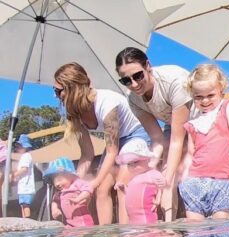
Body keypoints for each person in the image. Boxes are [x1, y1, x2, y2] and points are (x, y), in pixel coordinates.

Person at [53, 62, 164, 225]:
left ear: (72, 88)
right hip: (117, 141)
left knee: (122, 184)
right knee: (102, 187)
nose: (56, 96)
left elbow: (112, 152)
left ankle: (128, 235)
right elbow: (87, 155)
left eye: (57, 91)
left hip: (136, 134)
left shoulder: (106, 102)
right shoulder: (75, 113)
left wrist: (91, 185)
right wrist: (75, 183)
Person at [115, 47, 192, 219]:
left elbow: (177, 140)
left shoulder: (174, 81)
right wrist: (148, 167)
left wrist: (166, 180)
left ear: (148, 66)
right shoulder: (133, 98)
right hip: (173, 127)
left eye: (138, 76)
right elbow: (157, 139)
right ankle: (170, 227)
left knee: (173, 176)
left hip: (201, 121)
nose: (134, 84)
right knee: (164, 171)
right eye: (126, 80)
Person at [177, 64, 229, 220]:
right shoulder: (193, 123)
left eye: (210, 95)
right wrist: (183, 176)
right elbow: (191, 153)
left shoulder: (227, 107)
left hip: (222, 179)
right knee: (195, 227)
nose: (205, 100)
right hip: (194, 181)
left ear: (221, 90)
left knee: (222, 224)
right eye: (198, 97)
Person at [116, 139, 167, 224]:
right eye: (129, 164)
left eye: (135, 162)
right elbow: (135, 195)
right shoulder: (133, 178)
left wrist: (161, 189)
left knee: (147, 231)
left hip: (146, 220)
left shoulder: (152, 174)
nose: (132, 166)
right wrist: (124, 189)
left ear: (147, 159)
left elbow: (163, 184)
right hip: (133, 222)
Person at [44, 157, 94, 227]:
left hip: (83, 221)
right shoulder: (60, 192)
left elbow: (88, 189)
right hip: (70, 223)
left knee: (83, 232)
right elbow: (55, 200)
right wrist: (54, 209)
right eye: (53, 181)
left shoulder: (77, 183)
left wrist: (79, 198)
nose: (56, 184)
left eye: (59, 179)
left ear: (71, 175)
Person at [11, 134, 35, 218]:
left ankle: (27, 219)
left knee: (25, 204)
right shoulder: (24, 157)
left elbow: (24, 169)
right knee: (22, 204)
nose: (17, 148)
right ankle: (24, 218)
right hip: (23, 187)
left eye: (19, 146)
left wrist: (14, 175)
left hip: (26, 187)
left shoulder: (26, 156)